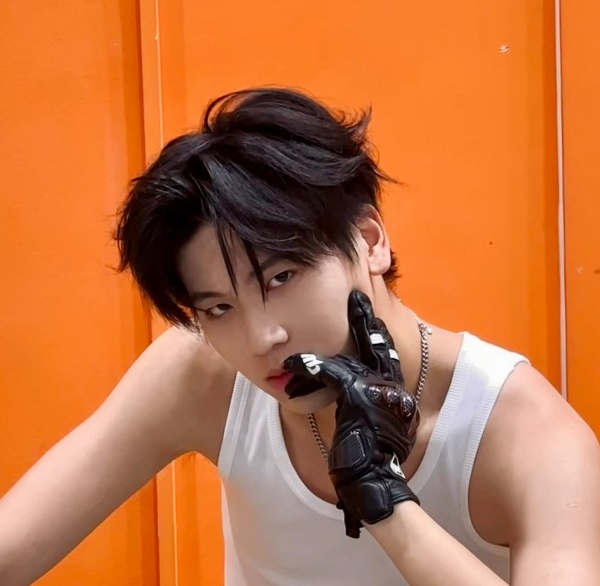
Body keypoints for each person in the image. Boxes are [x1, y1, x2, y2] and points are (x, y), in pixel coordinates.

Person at [0, 88, 599, 586]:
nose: (262, 337)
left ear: (369, 241)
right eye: (218, 307)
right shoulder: (205, 374)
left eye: (281, 278)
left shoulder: (524, 433)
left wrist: (382, 500)